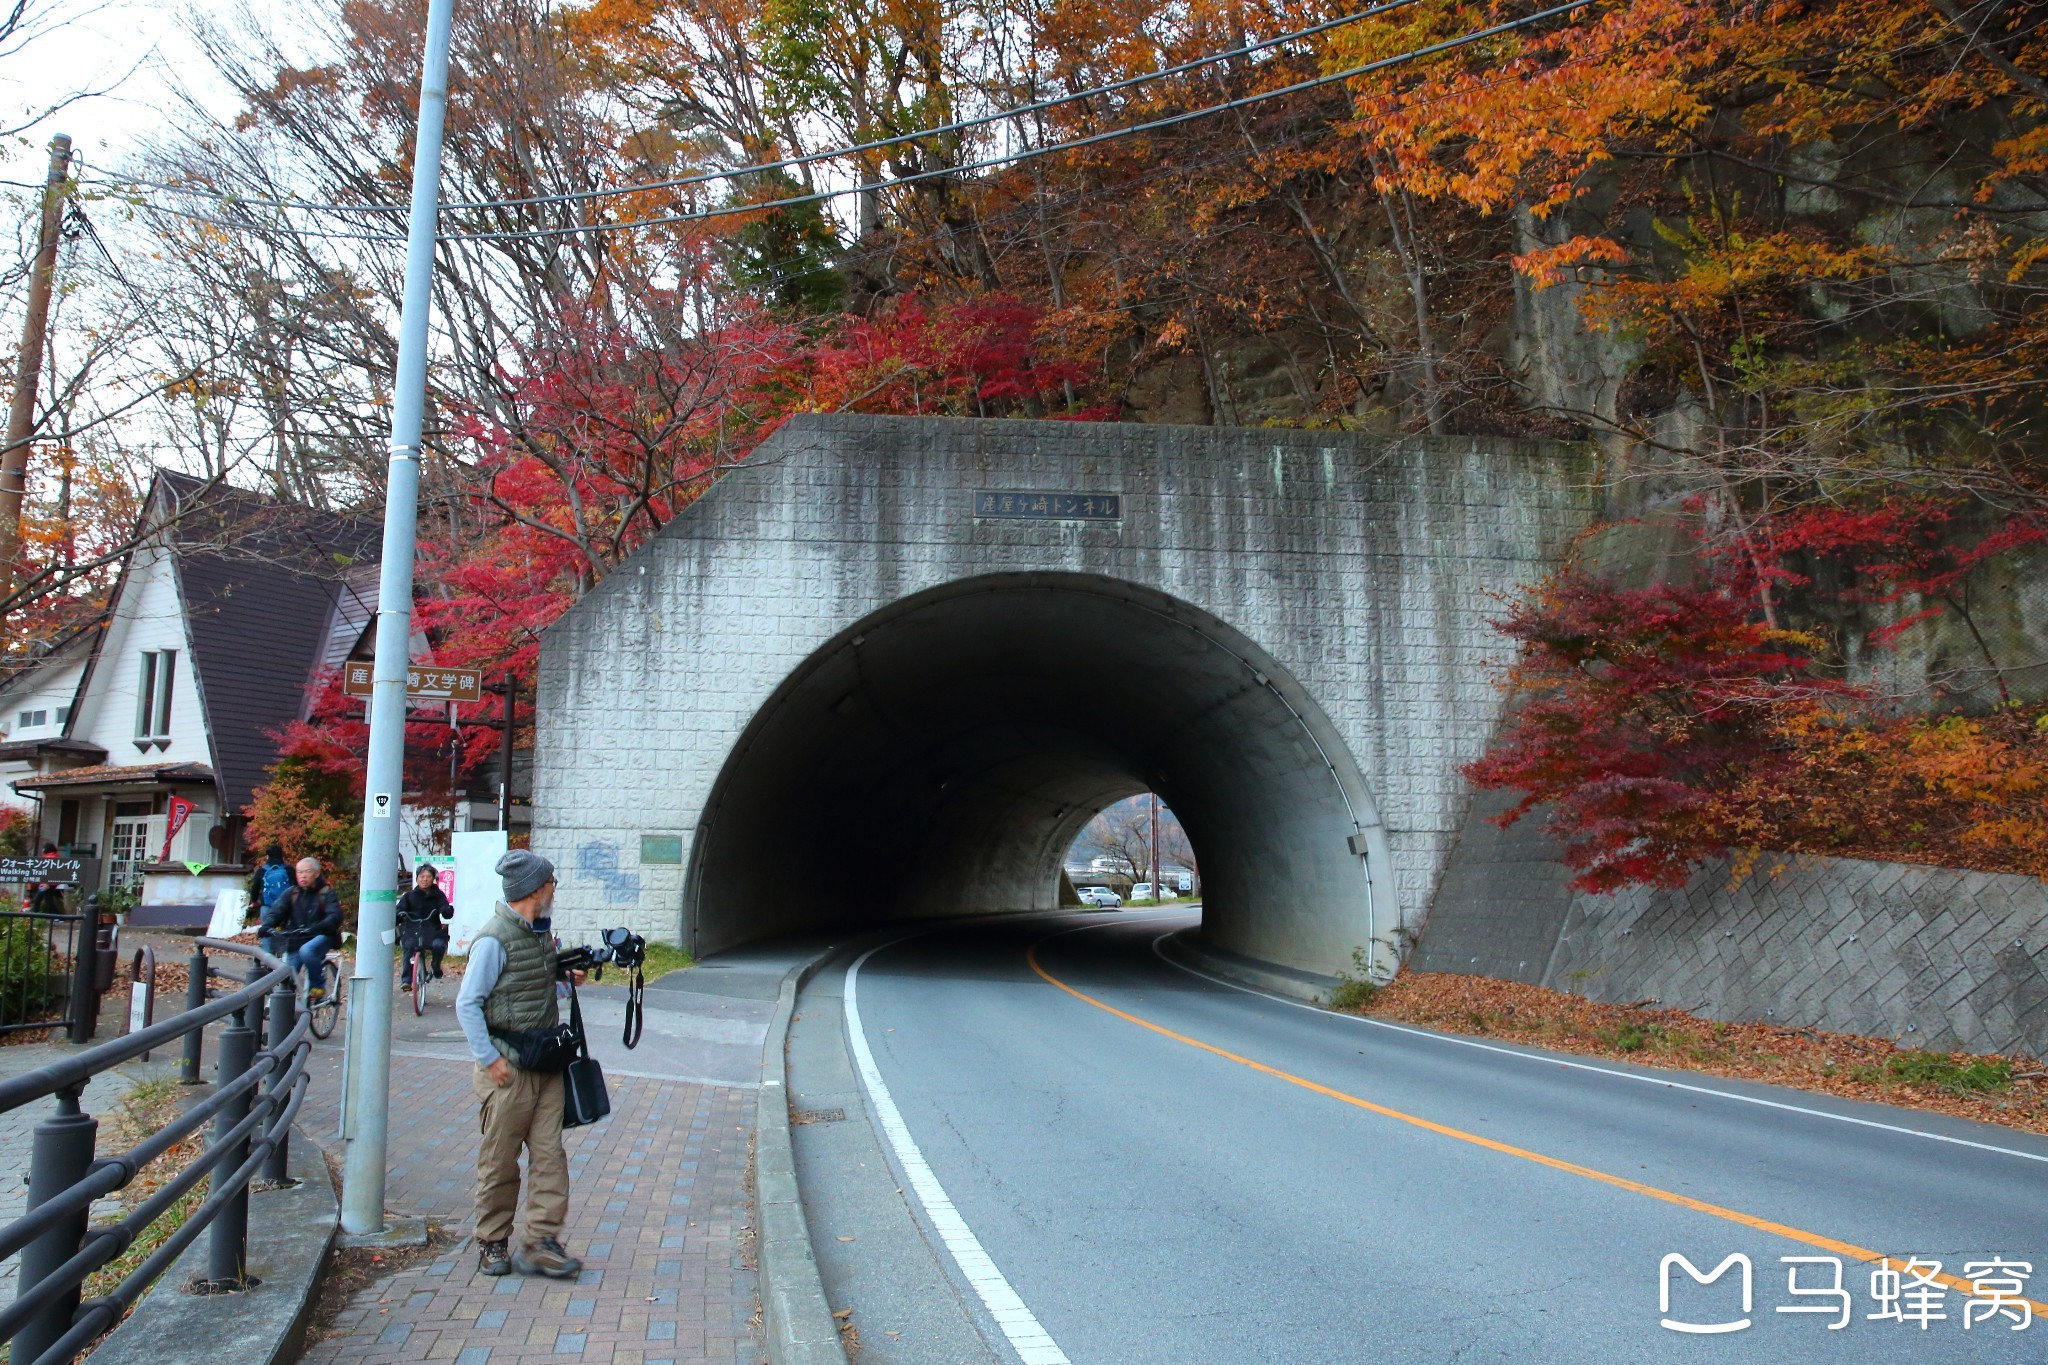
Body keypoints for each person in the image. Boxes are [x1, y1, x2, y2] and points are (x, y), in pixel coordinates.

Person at [454, 849, 585, 1280]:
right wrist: (489, 1060)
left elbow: (532, 988)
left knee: (550, 1156)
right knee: (500, 1159)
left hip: (544, 1064)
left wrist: (566, 983)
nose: (554, 889)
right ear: (533, 889)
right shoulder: (493, 939)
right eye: (550, 883)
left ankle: (541, 1242)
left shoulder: (540, 934)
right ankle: (492, 1242)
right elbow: (468, 1004)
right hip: (507, 1069)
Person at [263, 857, 343, 1002]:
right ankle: (280, 1009)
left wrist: (320, 926)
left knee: (307, 951)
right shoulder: (291, 893)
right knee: (286, 975)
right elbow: (276, 911)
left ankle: (317, 988)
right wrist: (267, 925)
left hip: (321, 936)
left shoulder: (326, 893)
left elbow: (334, 916)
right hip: (296, 939)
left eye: (307, 872)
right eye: (299, 872)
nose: (303, 875)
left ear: (317, 873)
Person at [396, 863, 453, 987]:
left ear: (433, 879)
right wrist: (400, 915)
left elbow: (445, 907)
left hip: (432, 930)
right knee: (408, 948)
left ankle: (435, 966)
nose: (425, 879)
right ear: (417, 878)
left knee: (438, 945)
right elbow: (398, 910)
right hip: (413, 930)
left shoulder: (438, 895)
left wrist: (446, 910)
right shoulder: (409, 896)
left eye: (428, 876)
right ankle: (406, 980)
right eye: (422, 876)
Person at [249, 843, 293, 956]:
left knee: (266, 932)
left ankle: (267, 961)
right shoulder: (289, 870)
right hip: (286, 908)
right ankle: (284, 959)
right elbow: (296, 887)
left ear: (267, 856)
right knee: (287, 932)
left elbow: (255, 889)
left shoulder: (262, 871)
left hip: (267, 907)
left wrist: (253, 901)